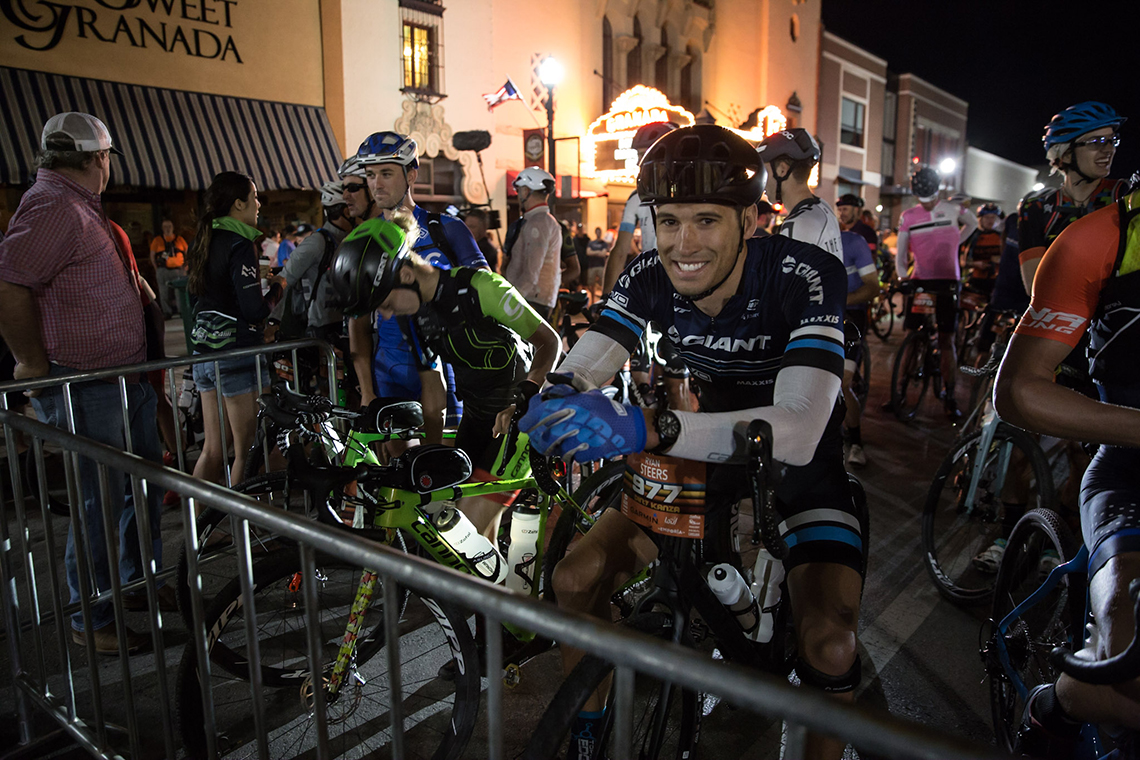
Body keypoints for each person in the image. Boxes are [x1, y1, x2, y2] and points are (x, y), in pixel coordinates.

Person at [521, 124, 863, 760]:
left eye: (706, 220)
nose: (684, 245)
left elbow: (797, 428)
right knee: (576, 580)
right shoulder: (650, 273)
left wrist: (650, 427)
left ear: (751, 220)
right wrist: (557, 389)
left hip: (797, 467)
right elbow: (598, 350)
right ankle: (590, 737)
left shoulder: (807, 274)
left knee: (828, 643)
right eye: (668, 220)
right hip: (695, 463)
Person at [0, 111, 169, 653]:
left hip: (120, 378)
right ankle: (90, 617)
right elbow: (10, 282)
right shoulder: (54, 205)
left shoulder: (74, 205)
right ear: (101, 159)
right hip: (86, 383)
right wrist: (29, 361)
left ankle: (132, 582)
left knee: (135, 487)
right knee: (96, 499)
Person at [993, 186, 1140, 758]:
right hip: (1132, 472)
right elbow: (1020, 390)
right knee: (1125, 671)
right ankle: (1059, 705)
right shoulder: (1099, 234)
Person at [331, 216, 560, 541]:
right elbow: (434, 395)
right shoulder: (417, 318)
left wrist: (526, 397)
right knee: (474, 543)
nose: (385, 315)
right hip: (478, 418)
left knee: (462, 530)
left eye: (384, 303)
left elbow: (550, 342)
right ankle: (495, 591)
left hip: (520, 421)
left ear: (407, 275)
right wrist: (429, 457)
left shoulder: (481, 288)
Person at [344, 131, 487, 435]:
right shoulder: (366, 239)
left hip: (446, 369)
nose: (376, 183)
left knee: (443, 469)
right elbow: (356, 323)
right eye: (370, 175)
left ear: (412, 174)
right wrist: (367, 391)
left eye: (386, 173)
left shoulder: (448, 229)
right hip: (390, 370)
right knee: (398, 474)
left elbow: (484, 297)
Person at [186, 171, 273, 488]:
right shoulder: (240, 243)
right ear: (238, 204)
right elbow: (253, 308)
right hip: (237, 353)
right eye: (254, 197)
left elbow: (193, 299)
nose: (259, 204)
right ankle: (245, 533)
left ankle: (200, 531)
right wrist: (276, 293)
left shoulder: (202, 239)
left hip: (204, 355)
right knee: (247, 448)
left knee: (213, 447)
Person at [892, 166, 978, 420]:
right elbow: (901, 249)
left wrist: (956, 243)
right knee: (911, 336)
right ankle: (900, 391)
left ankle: (949, 395)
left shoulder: (952, 209)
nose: (926, 202)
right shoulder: (908, 215)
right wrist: (902, 277)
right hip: (921, 281)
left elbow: (972, 223)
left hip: (948, 281)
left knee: (946, 340)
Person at [1019, 102, 1127, 292]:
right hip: (1064, 316)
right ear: (1066, 154)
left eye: (1112, 140)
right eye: (1096, 142)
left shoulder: (1125, 194)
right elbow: (1034, 285)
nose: (1109, 150)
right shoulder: (1036, 206)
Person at [603, 121, 678, 295]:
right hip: (653, 286)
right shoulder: (636, 198)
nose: (640, 162)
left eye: (648, 154)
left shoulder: (689, 195)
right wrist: (607, 297)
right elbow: (620, 249)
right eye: (639, 155)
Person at [275, 181, 353, 343]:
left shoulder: (347, 239)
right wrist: (274, 321)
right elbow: (285, 279)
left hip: (343, 324)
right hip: (320, 328)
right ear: (345, 211)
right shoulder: (317, 242)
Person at [757, 128, 843, 261]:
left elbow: (784, 281)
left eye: (764, 171)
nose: (762, 181)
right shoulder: (823, 207)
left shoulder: (798, 223)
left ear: (782, 170)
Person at [502, 167, 565, 320]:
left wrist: (509, 301)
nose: (518, 195)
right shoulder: (540, 220)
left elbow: (532, 272)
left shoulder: (538, 222)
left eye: (519, 191)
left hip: (531, 300)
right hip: (533, 299)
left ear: (525, 191)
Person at [841, 230, 880, 467]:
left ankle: (855, 441)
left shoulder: (854, 242)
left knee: (842, 381)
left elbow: (872, 287)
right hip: (816, 313)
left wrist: (837, 300)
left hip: (850, 313)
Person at [149, 219, 188, 318]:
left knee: (180, 292)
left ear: (173, 227)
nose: (168, 229)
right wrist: (156, 268)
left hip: (178, 270)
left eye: (169, 226)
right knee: (163, 292)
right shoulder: (157, 240)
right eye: (165, 227)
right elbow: (152, 255)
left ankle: (181, 311)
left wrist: (186, 266)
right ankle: (167, 312)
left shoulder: (180, 240)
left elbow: (188, 252)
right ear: (162, 228)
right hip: (163, 271)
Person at [463, 207, 499, 273]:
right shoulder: (466, 245)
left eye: (472, 227)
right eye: (465, 226)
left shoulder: (485, 250)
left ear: (483, 228)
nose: (467, 230)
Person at [584, 226, 610, 298]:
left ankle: (602, 298)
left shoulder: (604, 243)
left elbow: (603, 254)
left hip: (601, 265)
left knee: (603, 283)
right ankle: (592, 298)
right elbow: (588, 252)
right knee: (590, 284)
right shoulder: (591, 243)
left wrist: (594, 252)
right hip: (592, 265)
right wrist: (598, 252)